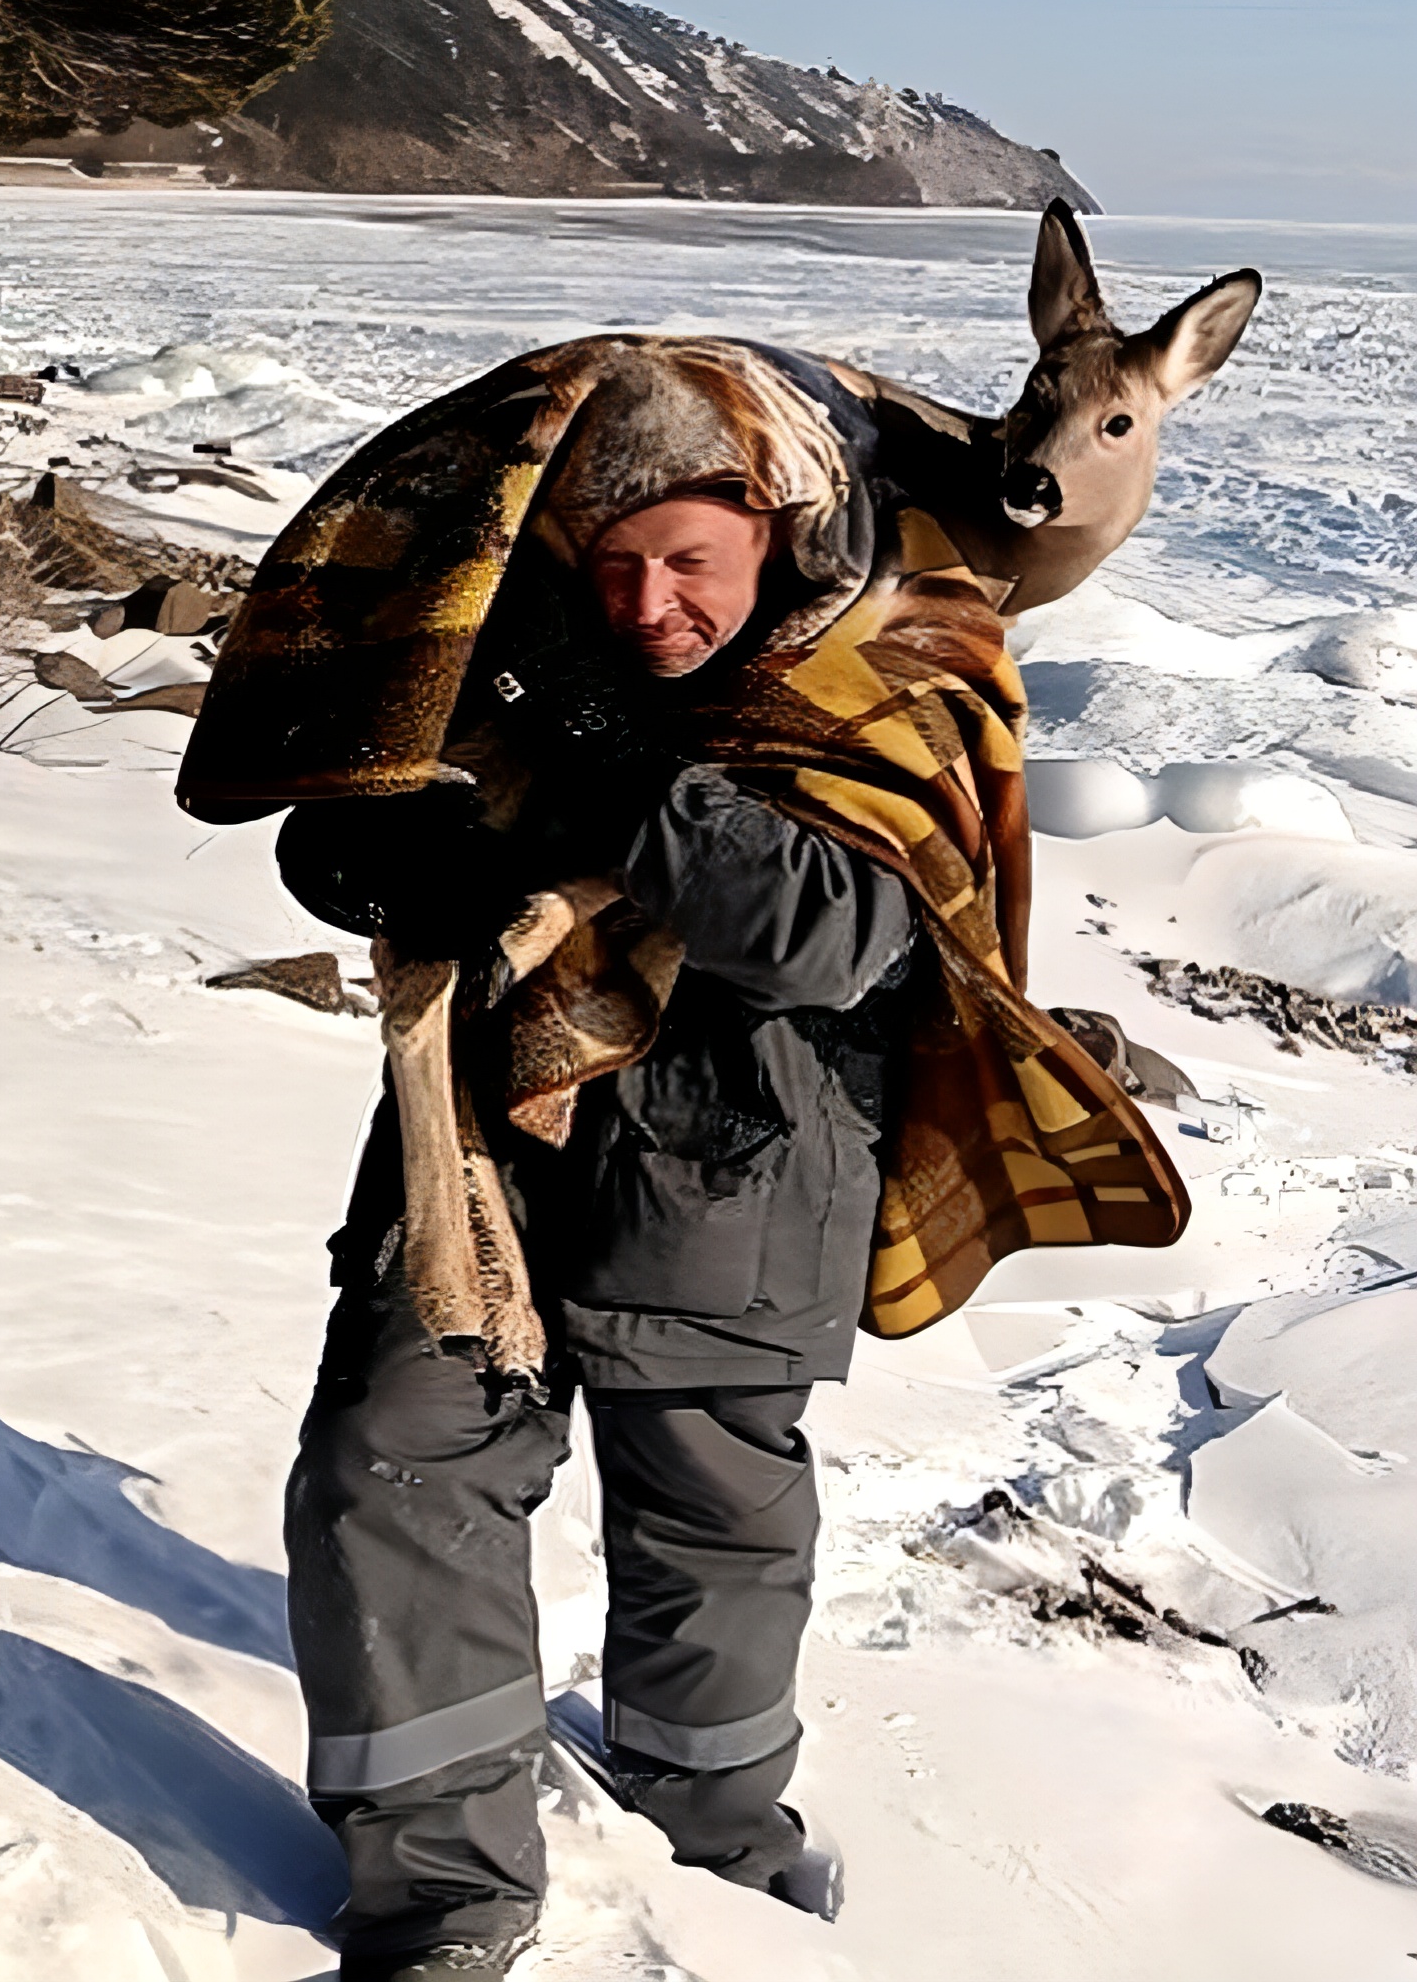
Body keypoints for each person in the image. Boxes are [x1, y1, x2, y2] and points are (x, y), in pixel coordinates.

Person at [277, 457, 918, 1979]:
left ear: (774, 532)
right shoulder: (497, 651)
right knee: (390, 1461)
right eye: (612, 567)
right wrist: (378, 862)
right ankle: (441, 1890)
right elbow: (327, 819)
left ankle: (712, 1840)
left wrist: (611, 763)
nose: (650, 606)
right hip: (477, 1146)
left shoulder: (877, 678)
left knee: (712, 1515)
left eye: (689, 560)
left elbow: (831, 933)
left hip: (738, 1162)